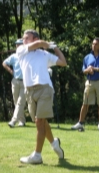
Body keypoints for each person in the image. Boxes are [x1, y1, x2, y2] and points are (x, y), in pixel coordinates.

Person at [16, 29, 66, 164]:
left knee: (39, 122)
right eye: (23, 38)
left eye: (27, 38)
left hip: (45, 88)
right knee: (41, 123)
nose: (23, 40)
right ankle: (54, 143)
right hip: (29, 91)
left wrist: (55, 48)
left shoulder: (45, 54)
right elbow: (38, 44)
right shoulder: (21, 50)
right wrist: (47, 44)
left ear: (35, 38)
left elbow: (63, 62)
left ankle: (37, 155)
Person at [71, 38, 99, 131]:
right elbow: (84, 70)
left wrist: (95, 69)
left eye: (96, 44)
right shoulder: (87, 57)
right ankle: (80, 123)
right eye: (93, 44)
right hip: (89, 82)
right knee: (85, 102)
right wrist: (88, 70)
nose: (93, 45)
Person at [2, 39, 28, 127]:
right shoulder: (14, 56)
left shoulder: (27, 56)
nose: (17, 46)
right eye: (17, 45)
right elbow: (4, 63)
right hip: (15, 81)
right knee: (16, 102)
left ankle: (13, 121)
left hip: (25, 82)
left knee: (20, 102)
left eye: (19, 44)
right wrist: (10, 70)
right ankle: (22, 121)